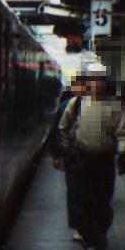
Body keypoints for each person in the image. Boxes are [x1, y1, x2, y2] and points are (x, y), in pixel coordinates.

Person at [58, 62, 125, 250]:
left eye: (101, 80)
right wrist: (67, 150)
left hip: (104, 160)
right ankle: (90, 241)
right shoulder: (77, 103)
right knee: (83, 201)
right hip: (81, 159)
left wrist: (122, 154)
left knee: (102, 201)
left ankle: (99, 236)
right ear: (88, 82)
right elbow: (63, 127)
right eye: (93, 80)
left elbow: (122, 133)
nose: (97, 84)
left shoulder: (115, 106)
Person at [50, 74, 87, 241]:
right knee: (74, 191)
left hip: (90, 155)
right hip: (74, 156)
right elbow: (57, 131)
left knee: (83, 192)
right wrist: (58, 155)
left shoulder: (100, 106)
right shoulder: (67, 106)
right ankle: (79, 226)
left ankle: (85, 226)